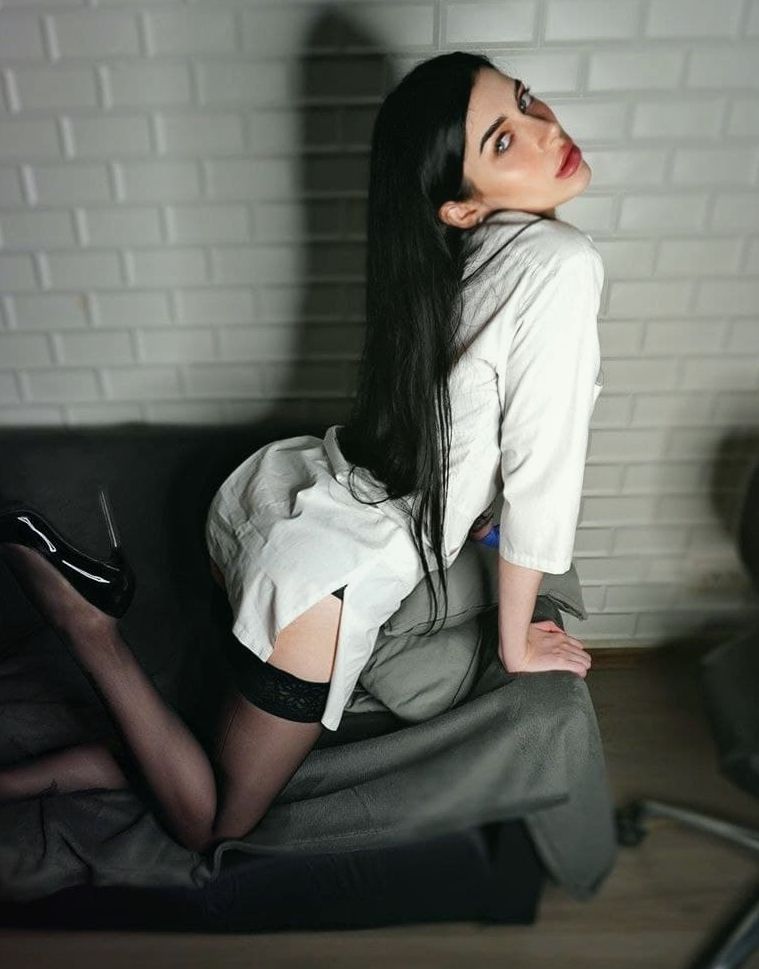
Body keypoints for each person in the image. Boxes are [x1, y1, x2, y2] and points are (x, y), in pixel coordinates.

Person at [0, 51, 603, 855]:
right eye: (503, 139)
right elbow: (541, 471)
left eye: (525, 102)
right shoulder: (560, 265)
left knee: (211, 763)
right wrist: (516, 641)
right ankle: (89, 626)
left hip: (288, 494)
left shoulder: (473, 251)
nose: (545, 130)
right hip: (326, 582)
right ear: (460, 206)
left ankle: (20, 780)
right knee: (215, 824)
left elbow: (470, 435)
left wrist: (481, 529)